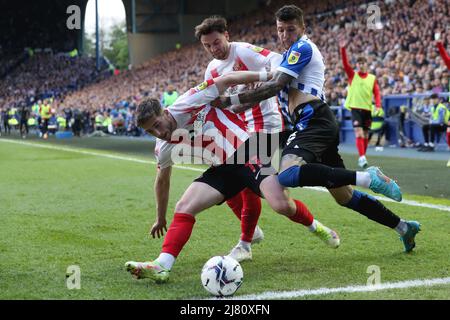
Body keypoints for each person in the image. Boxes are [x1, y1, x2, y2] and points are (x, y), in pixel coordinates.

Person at [215, 4, 420, 253]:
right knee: (344, 196)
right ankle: (403, 227)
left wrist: (232, 100)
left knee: (287, 174)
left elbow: (276, 86)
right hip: (314, 123)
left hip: (313, 120)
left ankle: (369, 177)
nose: (285, 34)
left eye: (290, 29)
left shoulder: (301, 47)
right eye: (280, 29)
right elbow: (274, 87)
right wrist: (244, 104)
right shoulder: (289, 54)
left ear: (303, 28)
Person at [125, 71, 343, 283]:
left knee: (281, 205)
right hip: (222, 168)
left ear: (164, 112)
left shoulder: (189, 100)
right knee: (184, 206)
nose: (158, 132)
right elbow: (162, 181)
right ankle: (162, 266)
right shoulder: (162, 147)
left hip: (250, 150)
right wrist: (160, 217)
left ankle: (316, 227)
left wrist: (268, 76)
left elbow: (228, 79)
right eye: (150, 131)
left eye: (157, 125)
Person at [195, 15, 284, 261]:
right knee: (222, 175)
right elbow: (213, 103)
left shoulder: (244, 51)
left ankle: (245, 244)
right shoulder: (211, 69)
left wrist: (262, 84)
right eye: (207, 46)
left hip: (266, 125)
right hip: (239, 130)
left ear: (227, 35)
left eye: (216, 42)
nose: (214, 49)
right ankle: (251, 232)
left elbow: (279, 62)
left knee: (246, 182)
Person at [339, 39, 382, 168]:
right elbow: (346, 64)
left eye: (362, 63)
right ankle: (362, 157)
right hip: (355, 108)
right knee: (359, 132)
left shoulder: (372, 78)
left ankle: (363, 155)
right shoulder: (352, 75)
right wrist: (343, 50)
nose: (360, 65)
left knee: (365, 135)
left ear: (366, 65)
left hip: (367, 109)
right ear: (357, 65)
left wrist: (378, 105)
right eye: (358, 63)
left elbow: (377, 92)